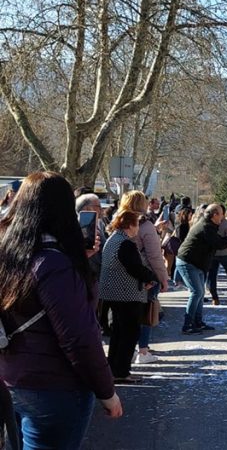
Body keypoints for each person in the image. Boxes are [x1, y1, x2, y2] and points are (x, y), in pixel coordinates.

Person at [0, 172, 122, 448]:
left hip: (12, 378)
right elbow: (78, 338)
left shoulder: (10, 256)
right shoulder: (54, 264)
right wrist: (107, 392)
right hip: (54, 385)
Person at [99, 210, 158, 383]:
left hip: (113, 292)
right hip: (126, 294)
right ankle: (122, 371)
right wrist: (150, 277)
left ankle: (114, 369)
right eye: (137, 225)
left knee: (118, 332)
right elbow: (134, 267)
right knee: (129, 332)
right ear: (130, 225)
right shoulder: (125, 243)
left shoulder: (112, 240)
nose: (138, 229)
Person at [115, 191, 170, 365]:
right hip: (144, 275)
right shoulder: (144, 225)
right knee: (146, 314)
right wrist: (163, 278)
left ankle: (127, 351)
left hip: (121, 275)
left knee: (125, 317)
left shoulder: (116, 223)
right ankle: (143, 351)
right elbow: (154, 255)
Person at [176, 204, 227, 334]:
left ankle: (198, 322)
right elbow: (219, 244)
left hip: (197, 263)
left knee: (200, 293)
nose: (223, 217)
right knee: (196, 292)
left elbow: (218, 242)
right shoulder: (206, 227)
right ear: (214, 215)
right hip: (188, 262)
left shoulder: (210, 225)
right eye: (221, 214)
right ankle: (187, 324)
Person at [207, 210, 227, 306]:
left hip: (213, 254)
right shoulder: (226, 223)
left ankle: (215, 298)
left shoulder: (209, 223)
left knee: (212, 276)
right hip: (226, 253)